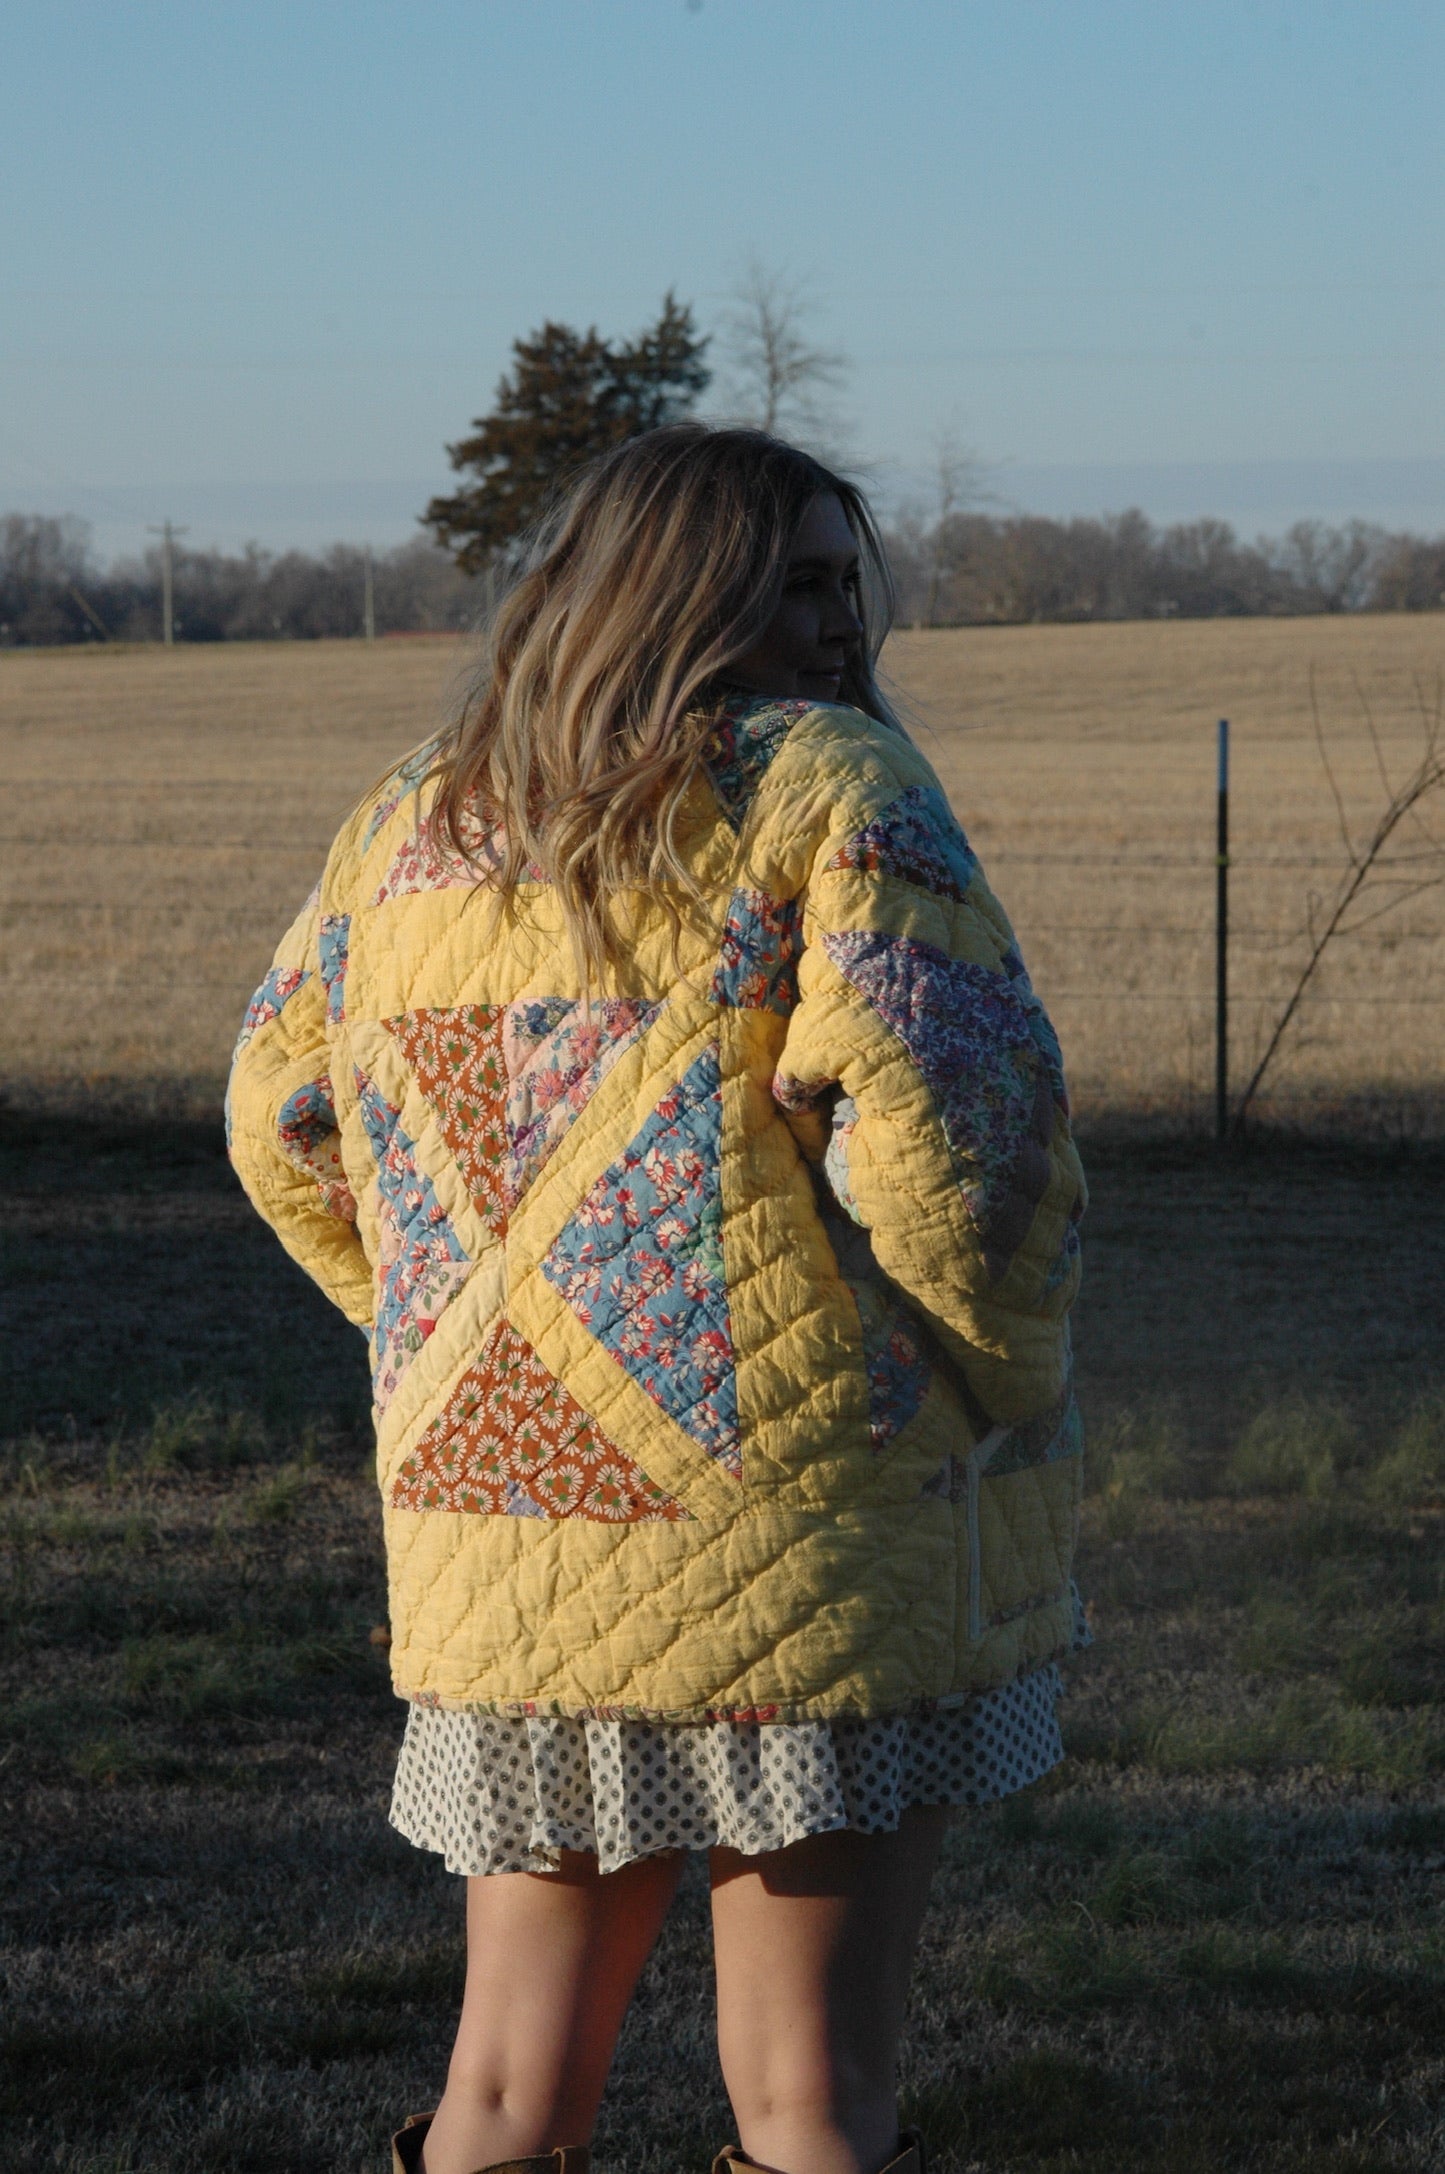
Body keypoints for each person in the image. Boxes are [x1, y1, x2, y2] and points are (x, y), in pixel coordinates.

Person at [227, 425, 1087, 2174]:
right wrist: (1003, 1367)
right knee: (808, 2099)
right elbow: (958, 1139)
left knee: (501, 2093)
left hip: (511, 1526)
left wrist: (453, 1344)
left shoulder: (409, 815)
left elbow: (276, 1118)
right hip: (804, 1518)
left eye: (853, 580)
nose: (841, 622)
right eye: (796, 581)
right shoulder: (833, 785)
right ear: (676, 592)